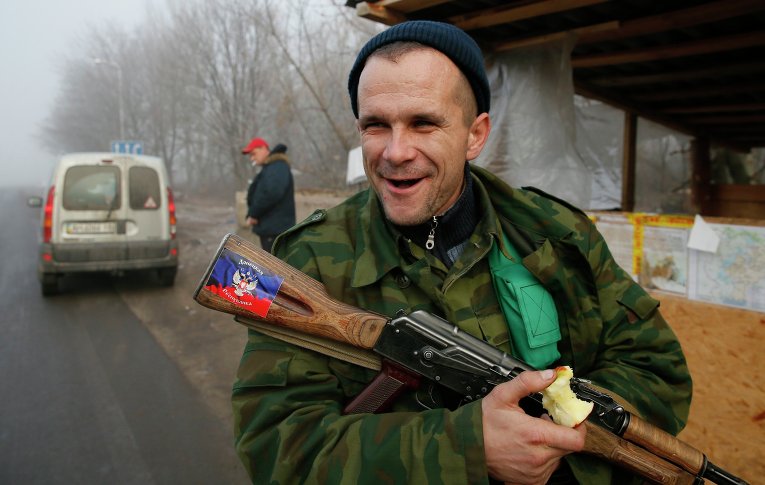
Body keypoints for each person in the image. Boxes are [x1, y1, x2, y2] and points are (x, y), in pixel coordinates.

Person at [232, 20, 692, 484]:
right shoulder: (303, 260)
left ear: (475, 135)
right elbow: (277, 448)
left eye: (423, 123)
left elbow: (657, 371)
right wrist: (466, 447)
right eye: (376, 125)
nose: (395, 152)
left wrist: (559, 443)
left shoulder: (556, 233)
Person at [241, 137, 296, 253]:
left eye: (253, 154)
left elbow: (272, 192)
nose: (252, 158)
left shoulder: (277, 167)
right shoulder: (272, 168)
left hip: (276, 231)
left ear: (264, 149)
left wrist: (254, 214)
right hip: (272, 229)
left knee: (275, 268)